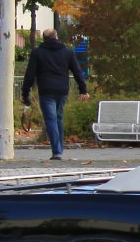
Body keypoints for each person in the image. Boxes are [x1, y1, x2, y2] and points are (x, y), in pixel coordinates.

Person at [21, 29, 89, 161]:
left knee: (50, 119)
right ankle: (59, 149)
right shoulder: (67, 51)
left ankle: (57, 152)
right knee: (58, 118)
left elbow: (30, 74)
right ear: (56, 36)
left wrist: (25, 93)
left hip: (46, 90)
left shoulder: (37, 52)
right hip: (62, 90)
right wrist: (83, 90)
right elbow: (77, 71)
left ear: (44, 38)